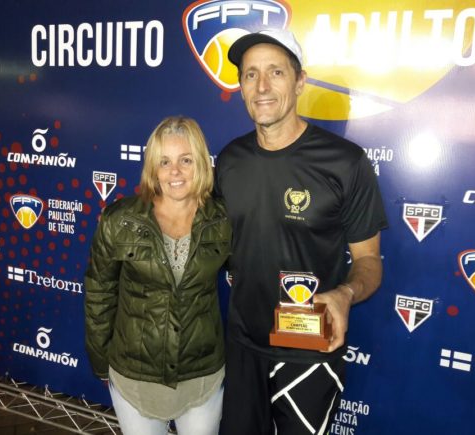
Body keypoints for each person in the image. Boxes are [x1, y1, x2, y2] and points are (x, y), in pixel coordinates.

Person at [215, 29, 388, 435]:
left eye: (276, 72)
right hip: (243, 346)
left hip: (309, 350)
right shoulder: (230, 159)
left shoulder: (345, 162)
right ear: (241, 87)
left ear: (300, 82)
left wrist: (345, 294)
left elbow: (368, 261)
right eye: (250, 74)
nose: (262, 86)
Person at [84, 116, 231, 435]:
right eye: (165, 161)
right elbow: (99, 293)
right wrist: (101, 361)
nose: (174, 171)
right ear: (153, 167)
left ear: (201, 163)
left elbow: (254, 274)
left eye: (185, 160)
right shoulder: (119, 219)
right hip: (134, 377)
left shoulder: (223, 220)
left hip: (201, 376)